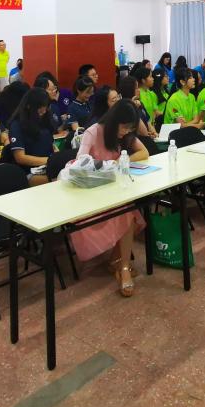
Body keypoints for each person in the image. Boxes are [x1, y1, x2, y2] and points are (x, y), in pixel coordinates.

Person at [71, 101, 148, 297]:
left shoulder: (123, 134)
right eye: (125, 127)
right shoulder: (93, 132)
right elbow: (80, 162)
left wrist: (121, 160)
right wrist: (104, 167)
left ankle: (120, 264)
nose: (126, 132)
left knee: (128, 211)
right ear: (114, 121)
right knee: (128, 213)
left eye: (130, 128)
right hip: (91, 194)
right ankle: (122, 266)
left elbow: (144, 152)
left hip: (114, 192)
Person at [7, 88, 68, 184]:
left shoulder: (45, 119)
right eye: (40, 111)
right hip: (29, 172)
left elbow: (51, 145)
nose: (43, 112)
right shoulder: (17, 125)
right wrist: (49, 161)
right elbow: (20, 157)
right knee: (61, 180)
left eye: (45, 109)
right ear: (29, 106)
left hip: (48, 166)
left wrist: (57, 158)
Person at [117, 75, 156, 139]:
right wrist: (134, 108)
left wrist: (154, 133)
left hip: (146, 138)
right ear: (129, 90)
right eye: (136, 88)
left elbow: (148, 122)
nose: (139, 90)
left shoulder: (139, 103)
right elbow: (143, 133)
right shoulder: (124, 107)